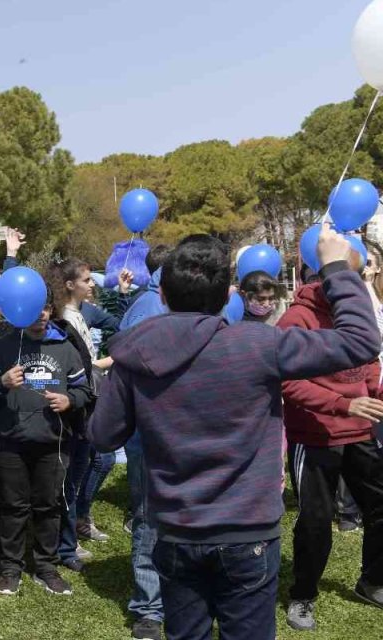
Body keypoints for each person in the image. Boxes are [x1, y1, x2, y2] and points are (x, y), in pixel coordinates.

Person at [90, 229, 380, 640]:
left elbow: (103, 435)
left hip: (177, 530)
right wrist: (335, 268)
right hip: (247, 533)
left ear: (164, 297)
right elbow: (362, 340)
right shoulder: (260, 344)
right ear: (229, 296)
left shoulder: (136, 353)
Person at [277, 246, 383, 631]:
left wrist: (374, 394)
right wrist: (342, 404)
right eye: (347, 277)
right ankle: (303, 595)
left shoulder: (354, 310)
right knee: (316, 522)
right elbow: (286, 379)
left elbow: (369, 361)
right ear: (324, 276)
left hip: (361, 433)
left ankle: (372, 581)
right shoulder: (297, 318)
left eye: (358, 277)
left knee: (380, 507)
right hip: (315, 435)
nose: (355, 285)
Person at [0, 285, 93, 597]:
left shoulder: (65, 347)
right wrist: (1, 383)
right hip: (11, 441)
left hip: (52, 441)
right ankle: (10, 568)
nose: (41, 315)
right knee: (12, 506)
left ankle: (46, 566)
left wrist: (69, 400)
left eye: (45, 308)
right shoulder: (0, 347)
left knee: (49, 505)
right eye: (34, 309)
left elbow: (84, 390)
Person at [113, 244, 172, 640]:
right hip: (152, 434)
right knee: (151, 521)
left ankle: (175, 596)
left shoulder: (175, 307)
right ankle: (149, 607)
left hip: (179, 433)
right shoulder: (149, 309)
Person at [48, 258, 117, 572]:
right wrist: (109, 362)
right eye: (87, 279)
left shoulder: (79, 314)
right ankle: (69, 536)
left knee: (100, 461)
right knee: (75, 474)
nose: (92, 284)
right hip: (78, 406)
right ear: (69, 284)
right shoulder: (64, 318)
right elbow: (76, 367)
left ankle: (78, 522)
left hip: (89, 399)